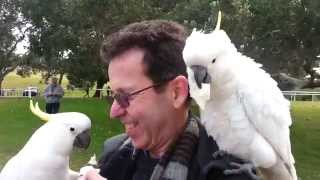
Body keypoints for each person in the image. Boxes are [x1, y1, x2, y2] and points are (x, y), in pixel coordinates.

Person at [80, 20, 256, 180]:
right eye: (113, 96)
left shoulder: (226, 172)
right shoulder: (114, 152)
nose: (113, 112)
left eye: (125, 97)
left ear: (177, 93)